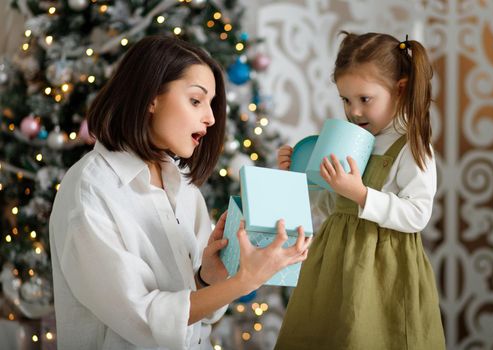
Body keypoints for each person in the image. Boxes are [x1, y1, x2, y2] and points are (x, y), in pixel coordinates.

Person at [49, 35, 310, 350]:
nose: (211, 118)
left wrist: (207, 278)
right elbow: (142, 317)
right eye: (196, 100)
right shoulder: (89, 190)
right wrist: (245, 281)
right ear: (151, 98)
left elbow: (195, 317)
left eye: (211, 104)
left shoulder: (184, 187)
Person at [275, 32, 446, 349]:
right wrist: (295, 177)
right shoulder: (353, 140)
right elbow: (333, 204)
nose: (353, 111)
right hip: (335, 262)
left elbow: (417, 214)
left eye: (365, 99)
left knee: (368, 334)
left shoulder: (412, 146)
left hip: (383, 269)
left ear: (400, 90)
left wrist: (362, 195)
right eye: (346, 100)